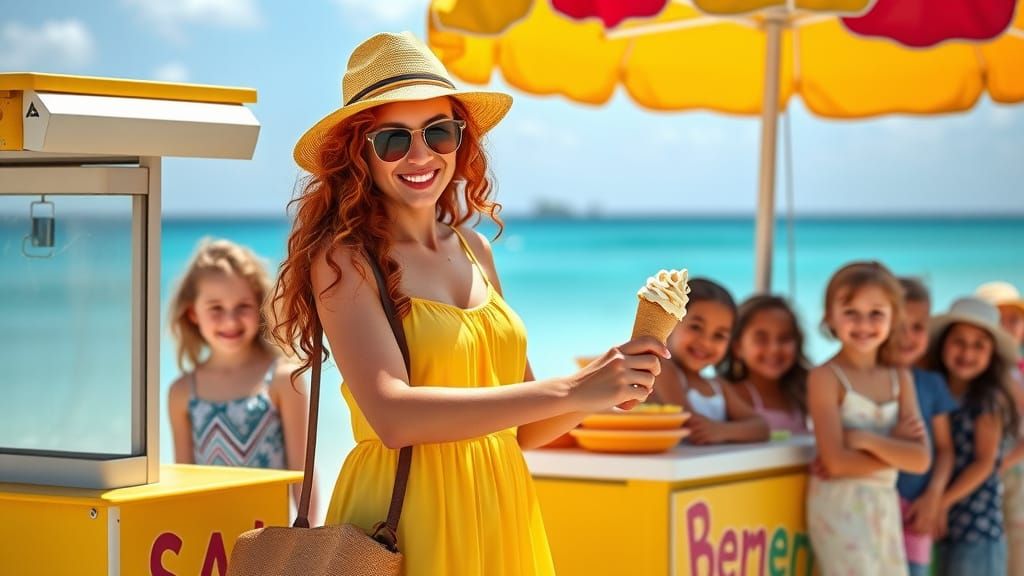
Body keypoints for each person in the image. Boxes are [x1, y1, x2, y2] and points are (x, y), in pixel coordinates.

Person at [268, 32, 665, 575]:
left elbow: (526, 428)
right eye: (393, 140)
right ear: (359, 154)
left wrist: (606, 383)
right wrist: (574, 388)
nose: (420, 155)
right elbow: (392, 416)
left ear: (461, 140)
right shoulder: (345, 259)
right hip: (405, 522)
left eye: (439, 132)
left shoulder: (476, 249)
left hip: (502, 513)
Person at [167, 238, 317, 521]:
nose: (230, 321)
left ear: (260, 306)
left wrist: (307, 536)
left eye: (243, 306)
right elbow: (183, 490)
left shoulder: (283, 380)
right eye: (216, 308)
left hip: (270, 537)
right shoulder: (182, 392)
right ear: (193, 313)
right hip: (207, 539)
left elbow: (303, 475)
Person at [806, 261, 930, 576]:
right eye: (851, 312)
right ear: (830, 316)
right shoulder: (825, 377)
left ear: (894, 317)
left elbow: (921, 460)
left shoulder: (900, 378)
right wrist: (897, 448)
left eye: (876, 313)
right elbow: (836, 464)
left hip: (885, 506)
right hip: (840, 507)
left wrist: (866, 440)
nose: (864, 324)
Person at [927, 297, 1023, 576]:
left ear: (992, 354)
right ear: (943, 344)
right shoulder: (937, 391)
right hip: (945, 523)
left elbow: (985, 463)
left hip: (976, 526)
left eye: (979, 345)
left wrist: (940, 503)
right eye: (959, 342)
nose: (967, 352)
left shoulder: (987, 399)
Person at [649, 278, 769, 444]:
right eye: (696, 327)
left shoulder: (718, 387)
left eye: (719, 335)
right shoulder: (660, 369)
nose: (706, 342)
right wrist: (724, 430)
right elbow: (689, 424)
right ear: (669, 323)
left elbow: (761, 427)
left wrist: (721, 431)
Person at [894, 277, 958, 576]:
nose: (907, 336)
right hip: (872, 505)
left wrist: (934, 497)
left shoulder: (932, 384)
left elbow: (944, 450)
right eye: (899, 326)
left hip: (917, 508)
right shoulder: (868, 380)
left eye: (917, 327)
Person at [976, 281, 1024, 575]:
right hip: (988, 473)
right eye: (998, 319)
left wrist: (1002, 463)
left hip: (1013, 472)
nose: (1007, 327)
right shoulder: (981, 373)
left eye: (1014, 319)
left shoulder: (1016, 374)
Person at [720, 294, 810, 435]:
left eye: (784, 338)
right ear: (738, 347)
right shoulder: (731, 396)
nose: (774, 349)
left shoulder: (804, 393)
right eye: (761, 339)